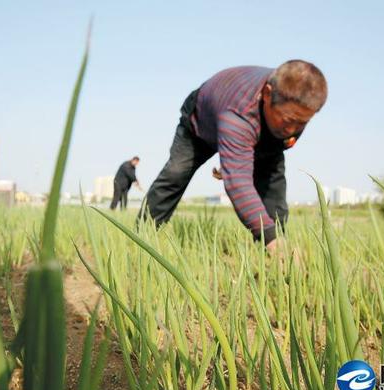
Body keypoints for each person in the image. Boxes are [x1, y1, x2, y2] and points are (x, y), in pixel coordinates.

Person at [139, 60, 327, 252]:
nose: (292, 130)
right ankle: (142, 236)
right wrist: (234, 166)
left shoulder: (289, 106)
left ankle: (275, 248)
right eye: (289, 120)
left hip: (257, 131)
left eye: (302, 123)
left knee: (273, 184)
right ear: (268, 94)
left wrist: (236, 159)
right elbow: (238, 182)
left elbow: (259, 158)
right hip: (200, 127)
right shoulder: (239, 113)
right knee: (175, 174)